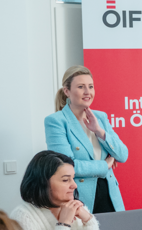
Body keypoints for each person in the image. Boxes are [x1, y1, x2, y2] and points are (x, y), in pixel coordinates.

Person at [45, 65, 128, 213]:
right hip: (79, 198)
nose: (87, 92)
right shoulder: (56, 121)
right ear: (67, 91)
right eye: (81, 87)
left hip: (109, 196)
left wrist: (99, 131)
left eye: (90, 86)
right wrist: (104, 165)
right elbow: (67, 166)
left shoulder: (100, 117)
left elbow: (122, 155)